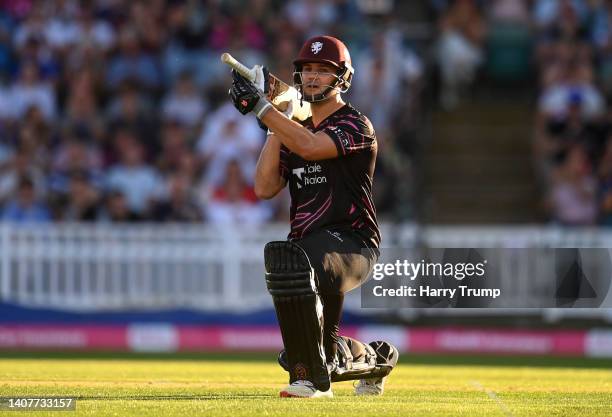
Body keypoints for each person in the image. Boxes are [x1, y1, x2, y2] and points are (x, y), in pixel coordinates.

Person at [228, 35, 398, 398]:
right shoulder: (294, 128)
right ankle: (378, 358)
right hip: (310, 248)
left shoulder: (356, 125)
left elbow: (310, 146)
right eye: (307, 70)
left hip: (353, 244)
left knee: (294, 264)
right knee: (307, 349)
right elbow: (265, 186)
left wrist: (263, 109)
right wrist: (277, 122)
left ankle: (311, 382)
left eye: (323, 70)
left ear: (342, 78)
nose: (313, 77)